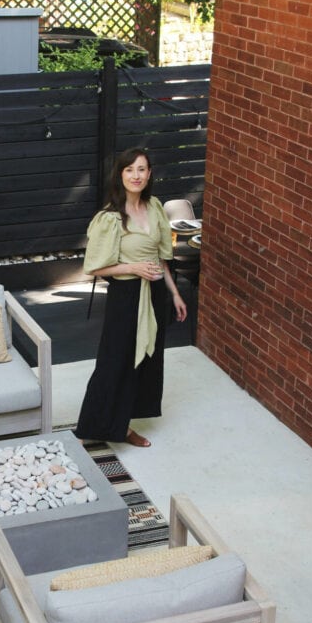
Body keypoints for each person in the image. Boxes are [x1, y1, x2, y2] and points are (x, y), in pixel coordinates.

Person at [75, 147, 187, 447]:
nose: (136, 175)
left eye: (142, 169)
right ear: (120, 175)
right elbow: (95, 266)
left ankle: (122, 426)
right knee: (115, 361)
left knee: (146, 362)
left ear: (149, 174)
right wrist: (132, 267)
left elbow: (162, 258)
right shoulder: (110, 217)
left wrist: (175, 294)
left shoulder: (154, 208)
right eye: (130, 170)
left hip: (155, 294)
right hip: (126, 296)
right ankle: (92, 426)